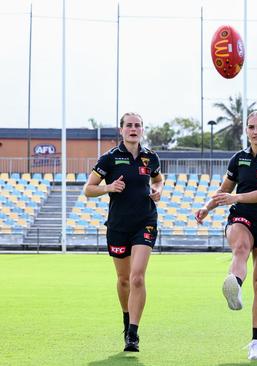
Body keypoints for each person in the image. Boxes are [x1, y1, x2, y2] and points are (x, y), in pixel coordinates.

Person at [195, 111, 257, 361]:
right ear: (246, 131)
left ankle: (256, 341)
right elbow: (224, 190)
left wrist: (234, 197)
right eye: (251, 127)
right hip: (242, 217)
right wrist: (207, 206)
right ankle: (234, 285)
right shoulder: (238, 159)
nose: (255, 131)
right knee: (240, 247)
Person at [83, 112, 164, 352]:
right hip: (118, 226)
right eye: (129, 125)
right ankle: (127, 317)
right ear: (121, 130)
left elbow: (158, 179)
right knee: (124, 279)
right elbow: (88, 189)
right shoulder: (109, 158)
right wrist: (109, 187)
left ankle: (133, 333)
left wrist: (158, 189)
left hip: (145, 222)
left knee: (138, 276)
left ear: (142, 130)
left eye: (137, 125)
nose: (133, 129)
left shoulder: (151, 157)